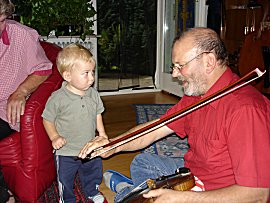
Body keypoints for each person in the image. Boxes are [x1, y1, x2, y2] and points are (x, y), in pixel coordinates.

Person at [78, 27, 270, 203]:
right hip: (191, 176)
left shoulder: (246, 109)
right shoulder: (197, 96)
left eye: (180, 65)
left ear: (208, 62)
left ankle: (128, 192)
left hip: (219, 194)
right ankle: (134, 191)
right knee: (142, 162)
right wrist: (113, 146)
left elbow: (257, 194)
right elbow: (154, 129)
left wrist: (183, 198)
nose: (175, 74)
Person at [0, 0, 52, 202]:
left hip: (5, 107)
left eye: (2, 20)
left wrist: (21, 91)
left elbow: (44, 69)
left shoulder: (22, 35)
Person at [42, 43, 107, 203]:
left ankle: (92, 191)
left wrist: (102, 134)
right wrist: (54, 137)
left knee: (93, 171)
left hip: (90, 146)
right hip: (66, 150)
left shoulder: (93, 94)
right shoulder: (58, 98)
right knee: (65, 178)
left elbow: (97, 114)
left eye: (92, 72)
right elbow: (47, 118)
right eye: (85, 73)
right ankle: (67, 199)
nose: (91, 78)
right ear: (68, 76)